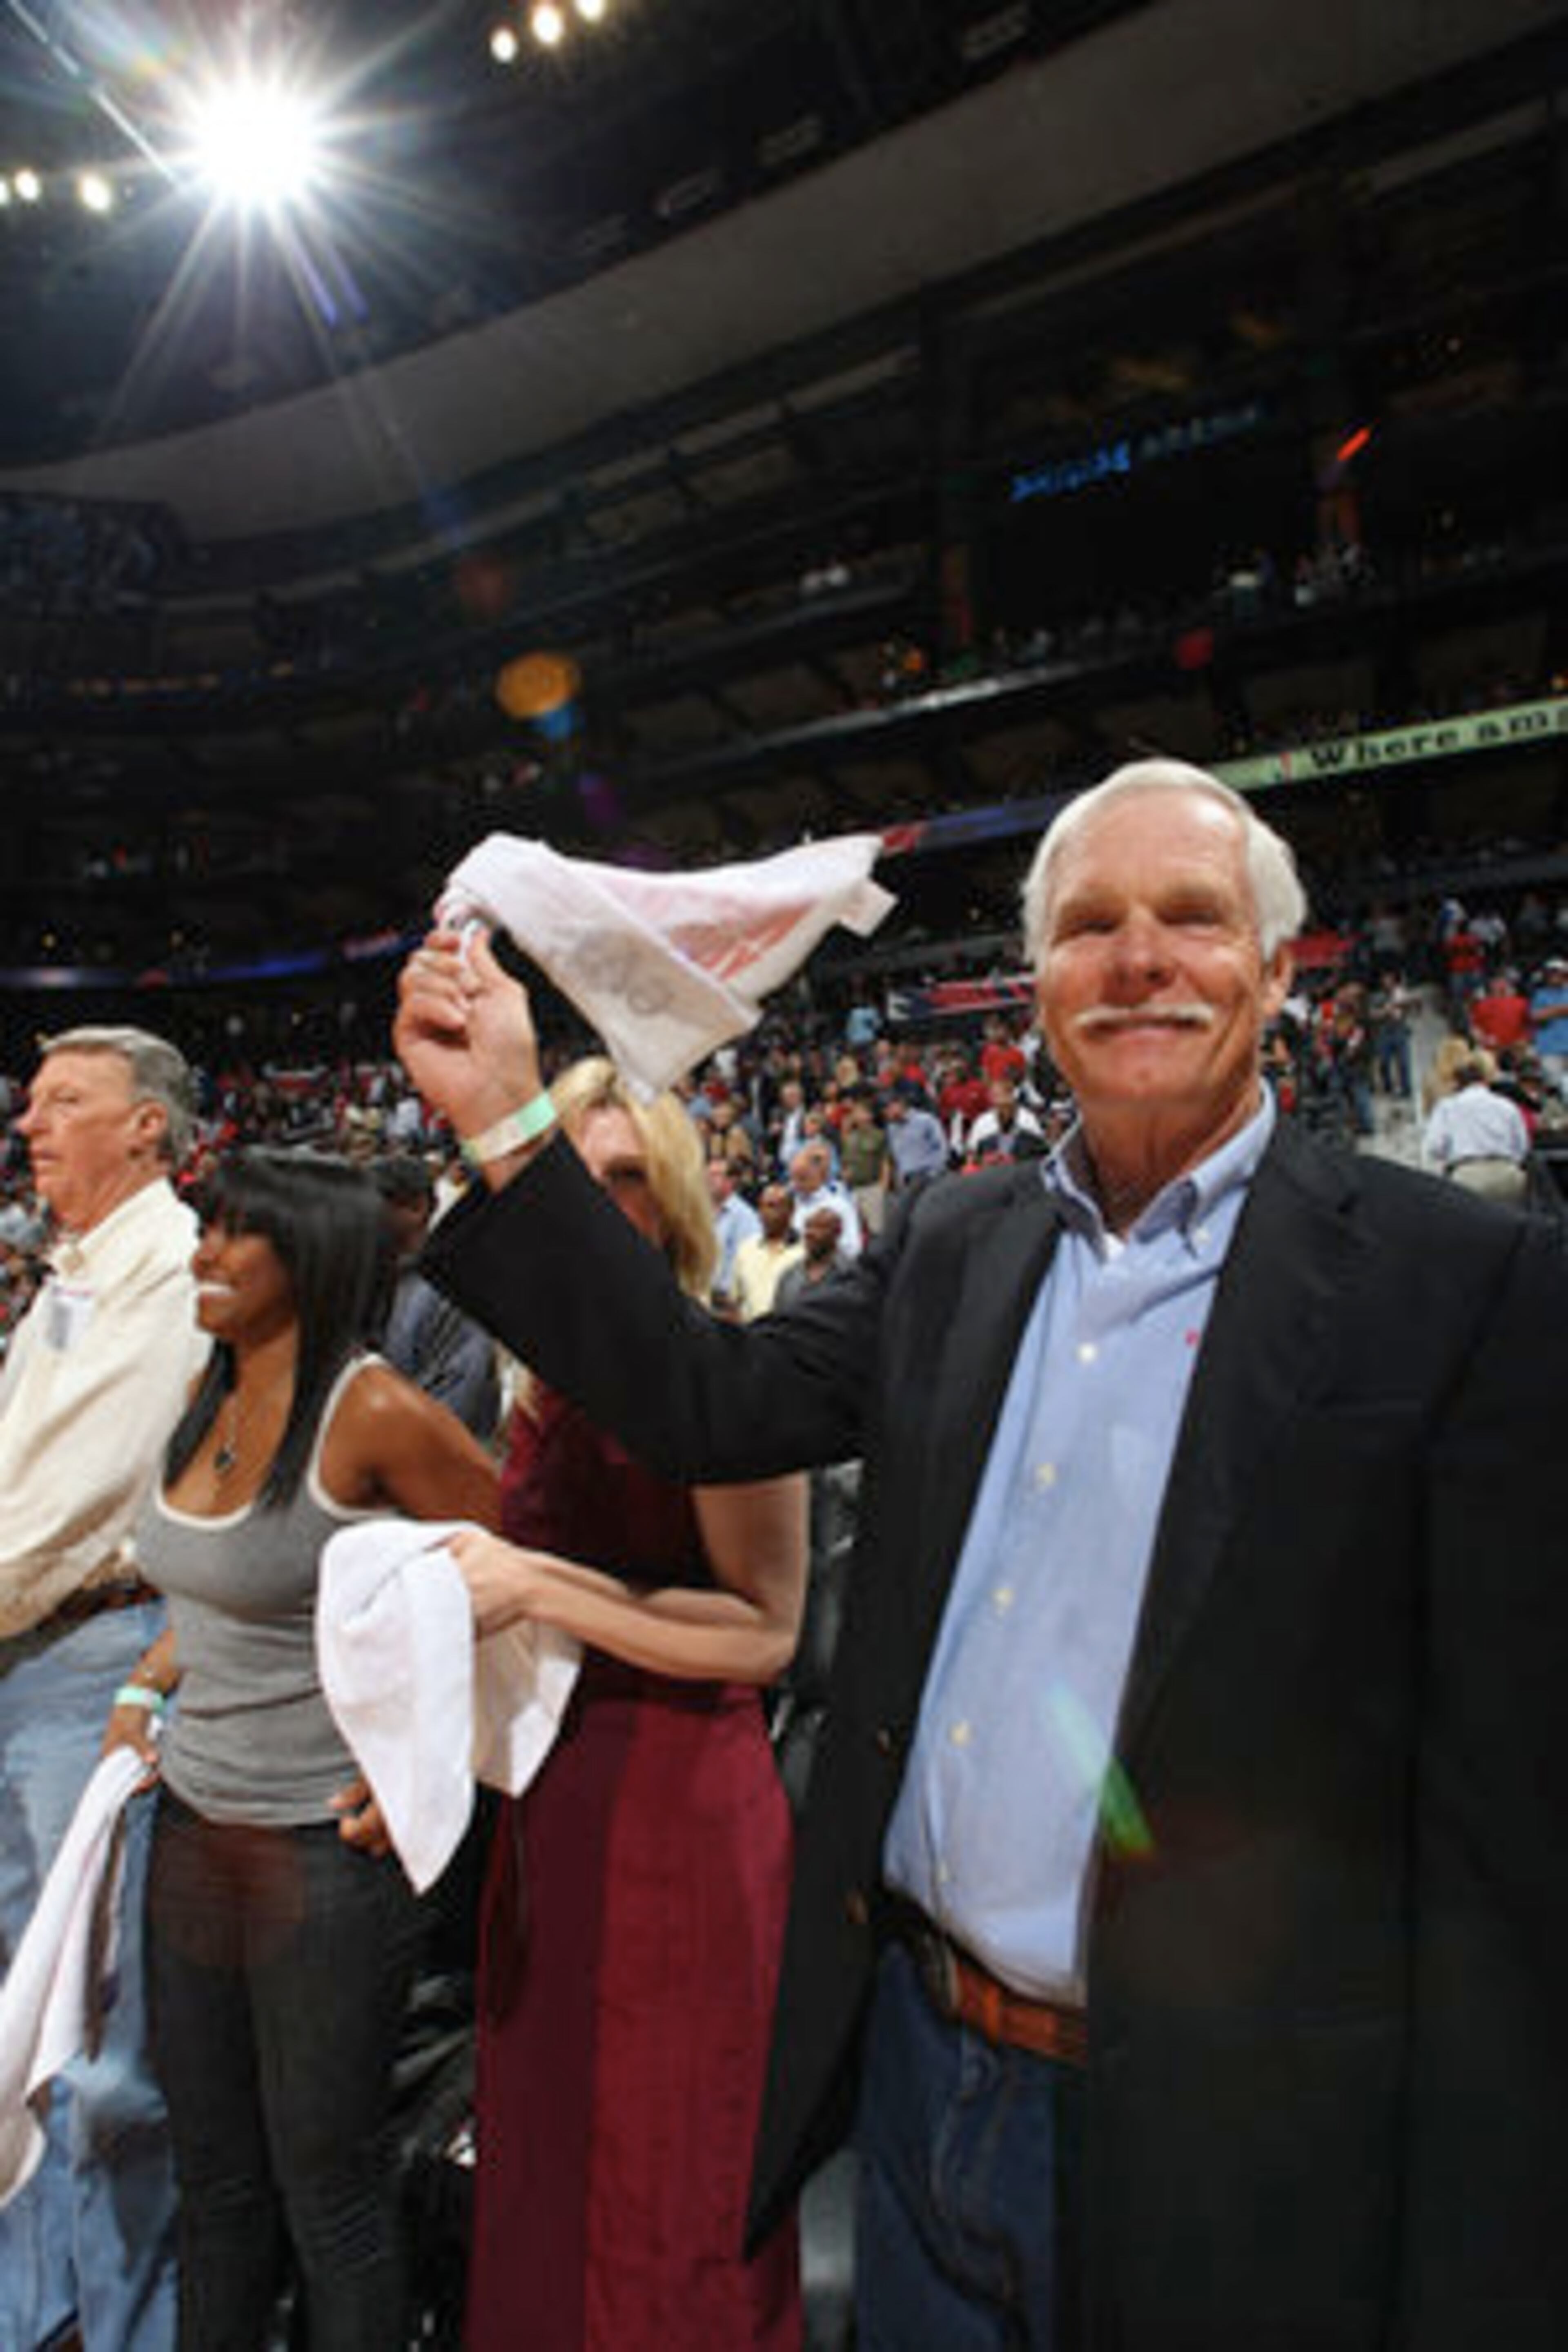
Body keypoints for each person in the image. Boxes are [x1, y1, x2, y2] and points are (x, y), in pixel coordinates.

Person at [396, 759, 1568, 2351]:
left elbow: (1505, 1842)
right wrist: (511, 1125)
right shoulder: (959, 1234)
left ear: (1282, 971)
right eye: (1090, 924)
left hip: (1233, 2134)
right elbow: (704, 1395)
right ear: (1038, 983)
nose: (1140, 957)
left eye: (1192, 919)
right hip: (920, 2063)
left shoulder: (1458, 1282)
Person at [437, 1057, 806, 2351]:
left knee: (670, 2180)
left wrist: (540, 1584)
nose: (593, 1208)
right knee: (549, 2165)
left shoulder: (724, 1363)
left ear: (677, 1203)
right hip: (553, 1800)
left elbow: (766, 1631)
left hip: (684, 1814)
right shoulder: (532, 1372)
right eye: (570, 1179)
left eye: (624, 1180)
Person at [109, 1149, 499, 2352]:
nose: (202, 1255)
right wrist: (146, 1676)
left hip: (321, 1855)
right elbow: (221, 1592)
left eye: (233, 1235)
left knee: (328, 2190)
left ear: (311, 1254)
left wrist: (427, 1768)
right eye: (206, 1231)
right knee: (215, 2182)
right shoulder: (208, 1393)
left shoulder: (373, 1409)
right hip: (191, 1831)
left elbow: (515, 1585)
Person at [0, 1025, 210, 2352]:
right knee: (18, 2033)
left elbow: (78, 1495)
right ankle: (34, 2314)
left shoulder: (172, 1270)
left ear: (148, 1126)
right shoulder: (73, 1273)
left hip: (96, 1663)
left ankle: (115, 2326)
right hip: (30, 1656)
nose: (30, 1125)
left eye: (65, 1102)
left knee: (100, 2052)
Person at [372, 1152, 501, 1438]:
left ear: (417, 1208)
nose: (360, 1217)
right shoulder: (370, 1279)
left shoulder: (451, 1291)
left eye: (373, 1204)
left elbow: (451, 1414)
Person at [1421, 1051, 1531, 1201]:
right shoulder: (1507, 1106)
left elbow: (1434, 1147)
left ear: (1458, 1083)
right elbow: (1522, 1146)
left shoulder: (1447, 1108)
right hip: (1507, 1174)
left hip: (1467, 1175)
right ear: (1485, 1080)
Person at [731, 1181, 804, 1322]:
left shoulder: (805, 1252)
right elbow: (735, 1300)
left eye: (774, 1207)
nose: (767, 1213)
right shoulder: (746, 1249)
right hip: (751, 1335)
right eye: (763, 1206)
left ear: (791, 1211)